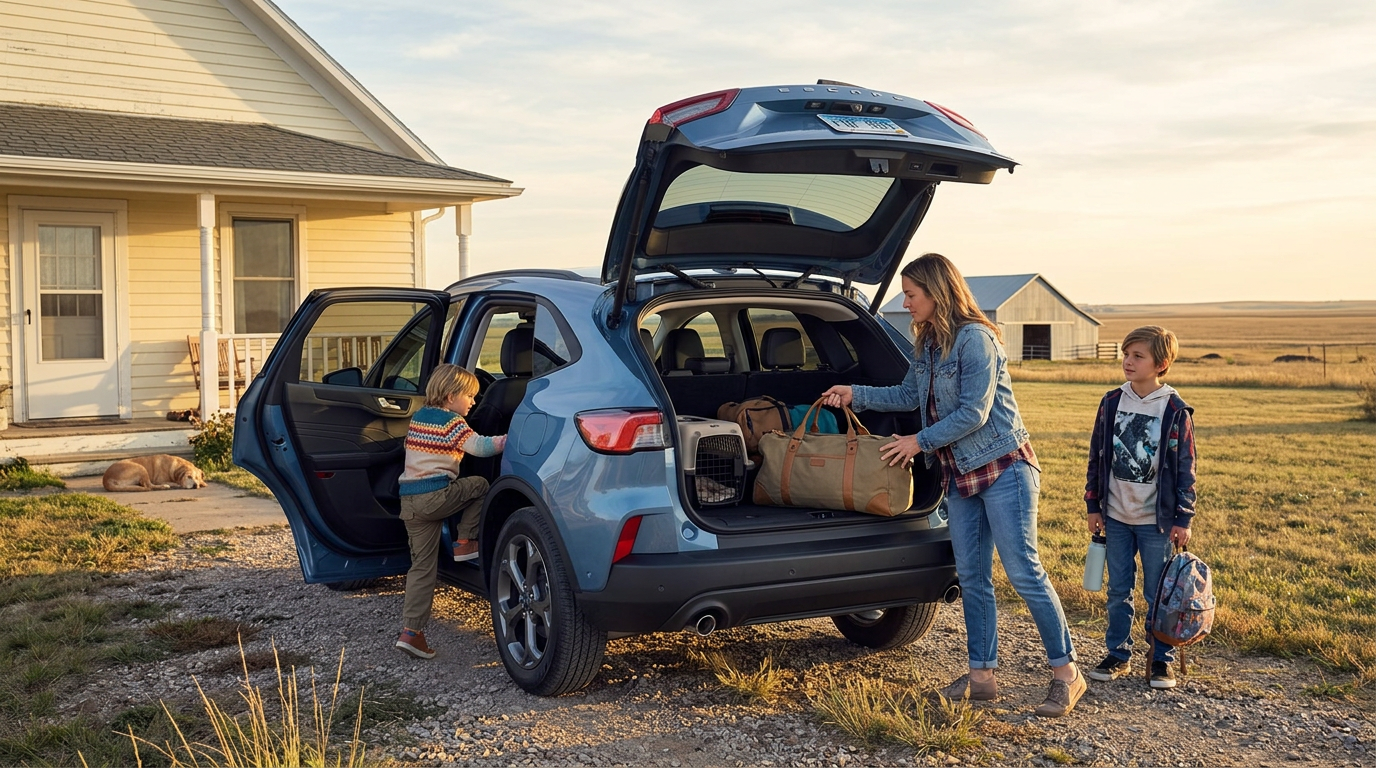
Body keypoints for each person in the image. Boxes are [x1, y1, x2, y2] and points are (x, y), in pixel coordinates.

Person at [821, 253, 1084, 717]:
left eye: (912, 294)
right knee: (972, 578)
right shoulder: (926, 344)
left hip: (1004, 469)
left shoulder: (976, 340)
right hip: (960, 476)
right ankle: (982, 678)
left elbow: (973, 413)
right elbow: (907, 395)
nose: (906, 302)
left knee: (1024, 572)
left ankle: (1067, 674)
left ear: (937, 292)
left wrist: (917, 443)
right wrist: (854, 393)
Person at [1083, 326, 1197, 690]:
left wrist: (1183, 516)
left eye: (1137, 356)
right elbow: (1096, 456)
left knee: (1157, 594)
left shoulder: (1175, 409)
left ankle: (1160, 660)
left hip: (1156, 522)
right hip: (1115, 515)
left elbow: (1185, 468)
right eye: (1125, 354)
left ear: (1160, 364)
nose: (1128, 362)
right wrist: (1093, 504)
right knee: (1118, 590)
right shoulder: (1112, 401)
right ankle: (1118, 653)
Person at [394, 364, 506, 660]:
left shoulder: (419, 418)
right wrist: (509, 439)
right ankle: (466, 542)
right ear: (450, 395)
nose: (473, 402)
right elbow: (480, 447)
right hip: (436, 496)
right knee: (480, 485)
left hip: (410, 503)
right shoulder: (452, 422)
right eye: (469, 396)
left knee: (421, 568)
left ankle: (411, 633)